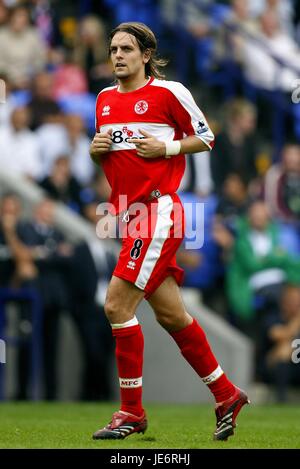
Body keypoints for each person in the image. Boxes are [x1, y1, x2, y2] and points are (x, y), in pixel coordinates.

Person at [89, 22, 249, 442]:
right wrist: (95, 152)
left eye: (126, 48)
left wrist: (168, 147)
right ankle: (226, 393)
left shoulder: (169, 93)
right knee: (171, 315)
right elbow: (115, 165)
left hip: (159, 212)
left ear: (145, 55)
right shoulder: (104, 101)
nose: (117, 55)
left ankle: (131, 411)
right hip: (127, 215)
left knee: (115, 305)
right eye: (113, 49)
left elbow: (207, 137)